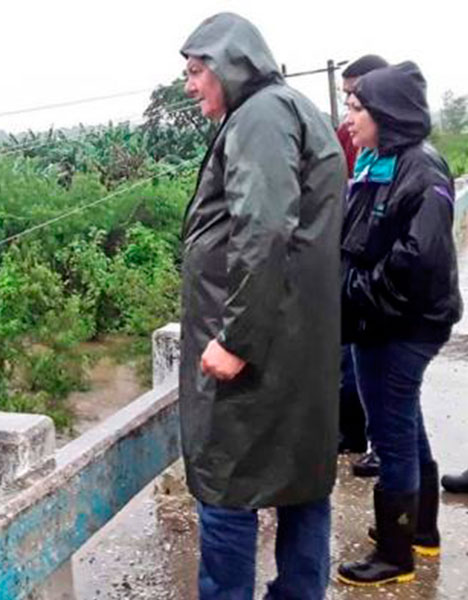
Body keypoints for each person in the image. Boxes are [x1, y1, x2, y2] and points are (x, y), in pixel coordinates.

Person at [179, 13, 345, 600]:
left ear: (231, 63)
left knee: (227, 485)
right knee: (301, 482)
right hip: (298, 343)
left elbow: (265, 227)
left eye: (197, 71)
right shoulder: (294, 110)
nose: (189, 84)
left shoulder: (260, 116)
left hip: (258, 353)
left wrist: (235, 339)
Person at [337, 61, 462, 586]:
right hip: (379, 322)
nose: (348, 117)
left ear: (384, 114)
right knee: (405, 423)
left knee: (391, 434)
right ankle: (419, 530)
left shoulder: (422, 169)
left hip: (399, 325)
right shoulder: (380, 160)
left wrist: (354, 293)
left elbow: (419, 259)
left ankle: (395, 555)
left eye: (357, 107)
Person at [335, 55, 390, 477]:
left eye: (355, 99)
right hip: (354, 276)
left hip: (381, 290)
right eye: (346, 99)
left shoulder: (408, 161)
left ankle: (413, 530)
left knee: (390, 388)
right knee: (350, 363)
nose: (349, 110)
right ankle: (356, 434)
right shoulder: (351, 142)